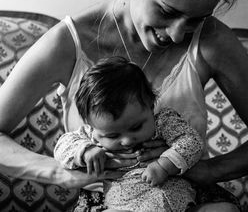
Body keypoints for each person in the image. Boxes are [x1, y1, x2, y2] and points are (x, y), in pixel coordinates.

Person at [0, 0, 248, 211]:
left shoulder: (213, 41)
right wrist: (60, 171)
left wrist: (205, 170)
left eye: (196, 20)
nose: (178, 34)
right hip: (112, 200)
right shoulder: (67, 43)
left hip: (189, 197)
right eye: (167, 11)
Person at [54, 56, 204, 211]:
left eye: (136, 127)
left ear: (151, 107)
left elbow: (192, 141)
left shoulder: (164, 121)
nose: (126, 141)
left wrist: (164, 165)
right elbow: (62, 146)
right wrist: (86, 150)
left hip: (175, 200)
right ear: (91, 126)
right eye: (112, 136)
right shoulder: (91, 135)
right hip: (123, 205)